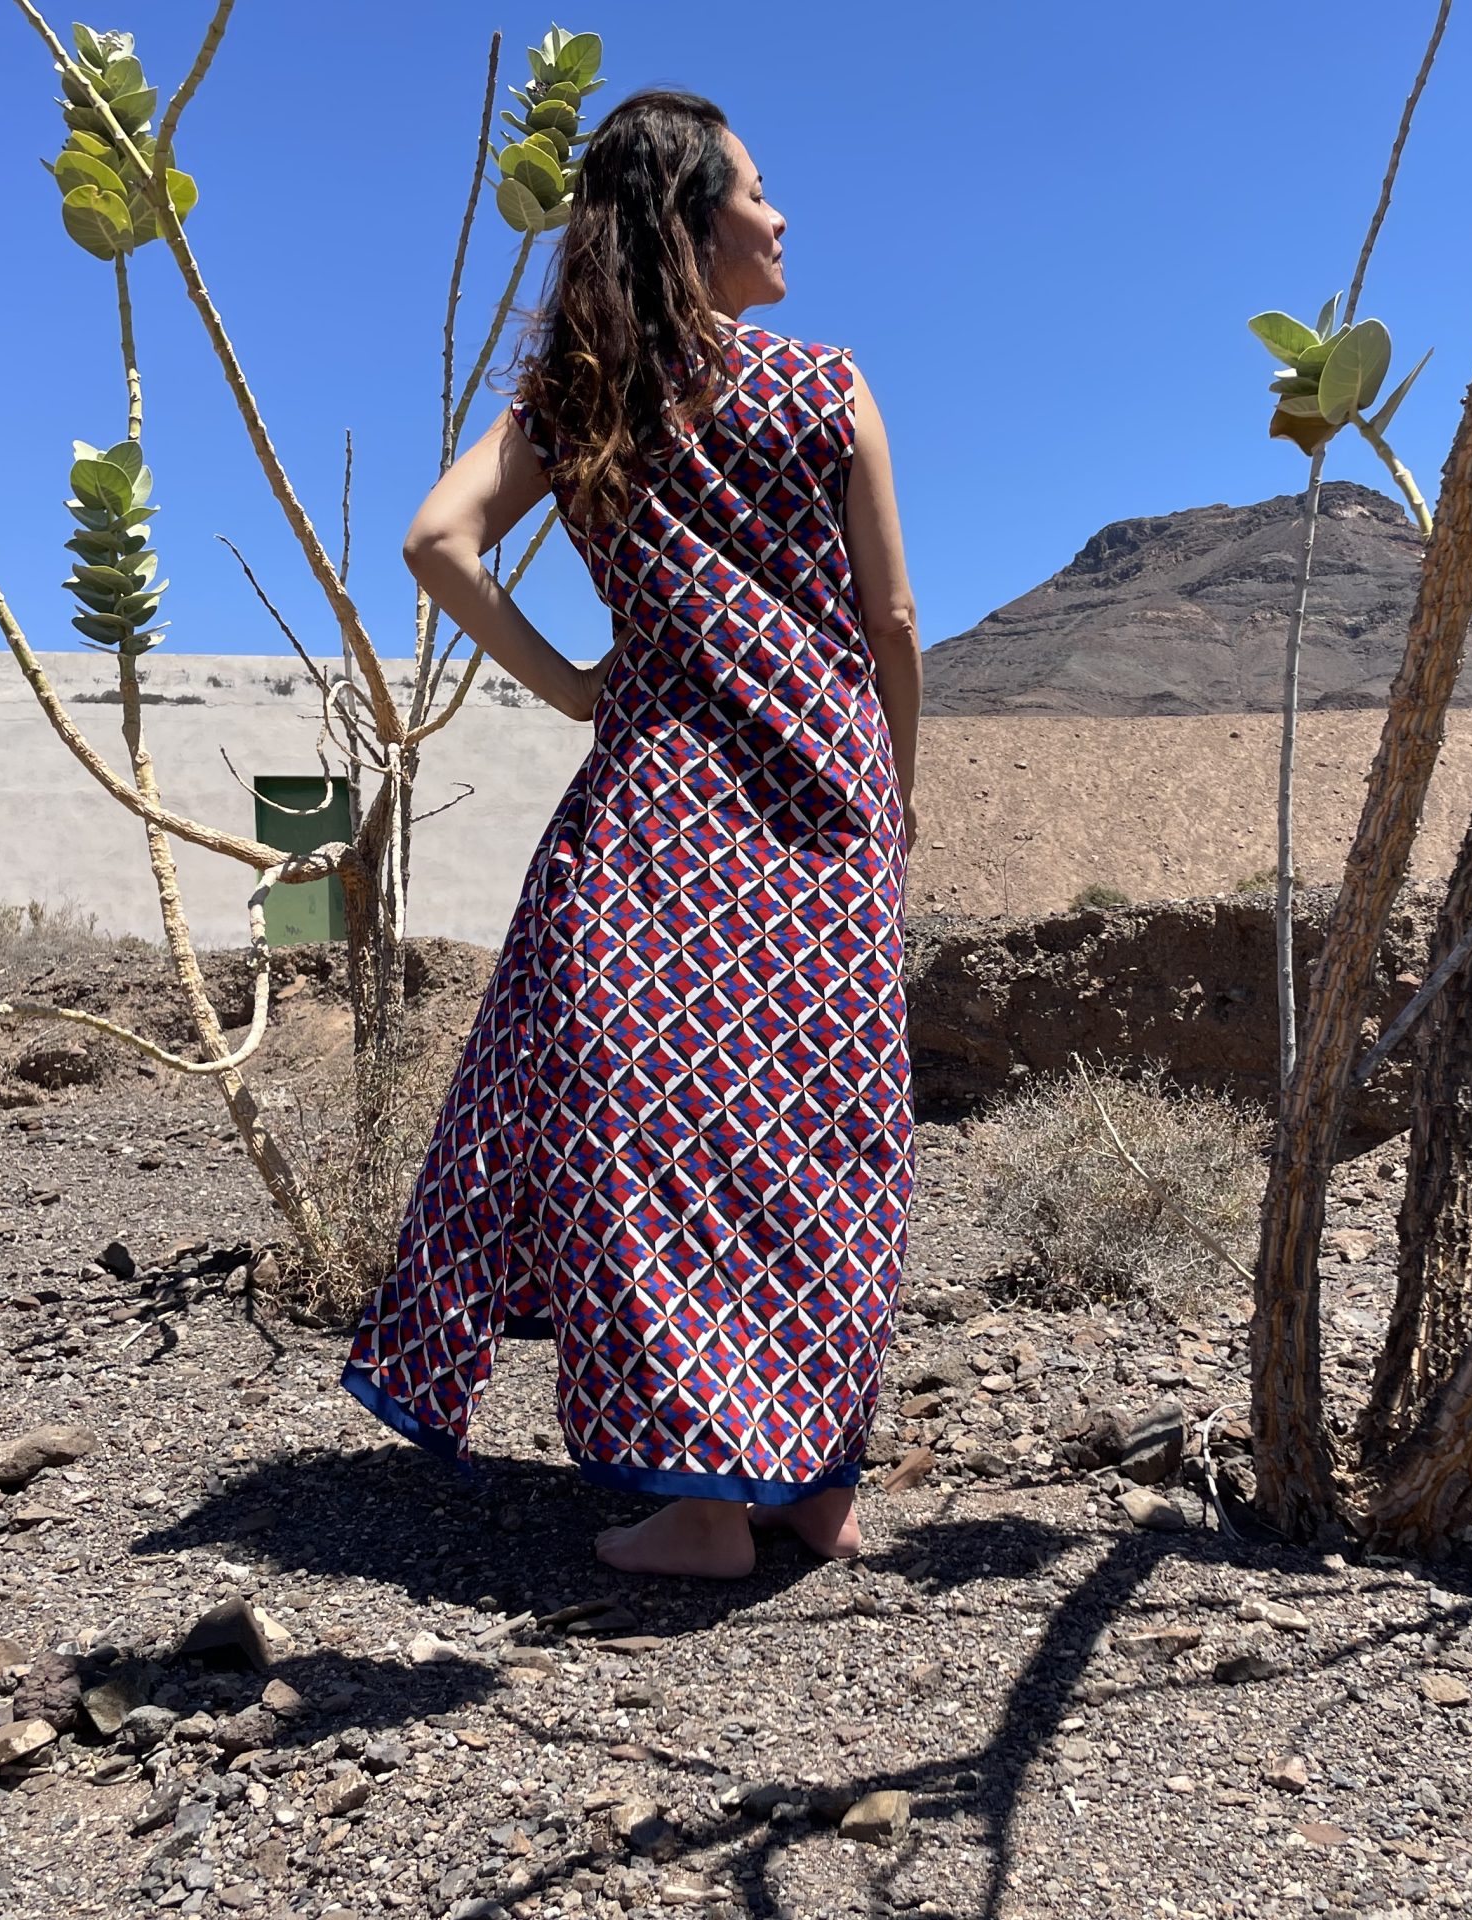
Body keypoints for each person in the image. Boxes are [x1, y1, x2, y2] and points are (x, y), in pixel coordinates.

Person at [343, 89, 921, 1580]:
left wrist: (574, 685)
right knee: (822, 1133)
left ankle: (706, 1504)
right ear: (687, 221)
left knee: (656, 1135)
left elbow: (433, 541)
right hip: (830, 803)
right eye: (756, 190)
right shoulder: (831, 387)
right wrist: (895, 790)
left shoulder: (581, 400)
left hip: (657, 816)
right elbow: (893, 621)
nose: (781, 216)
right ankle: (813, 1487)